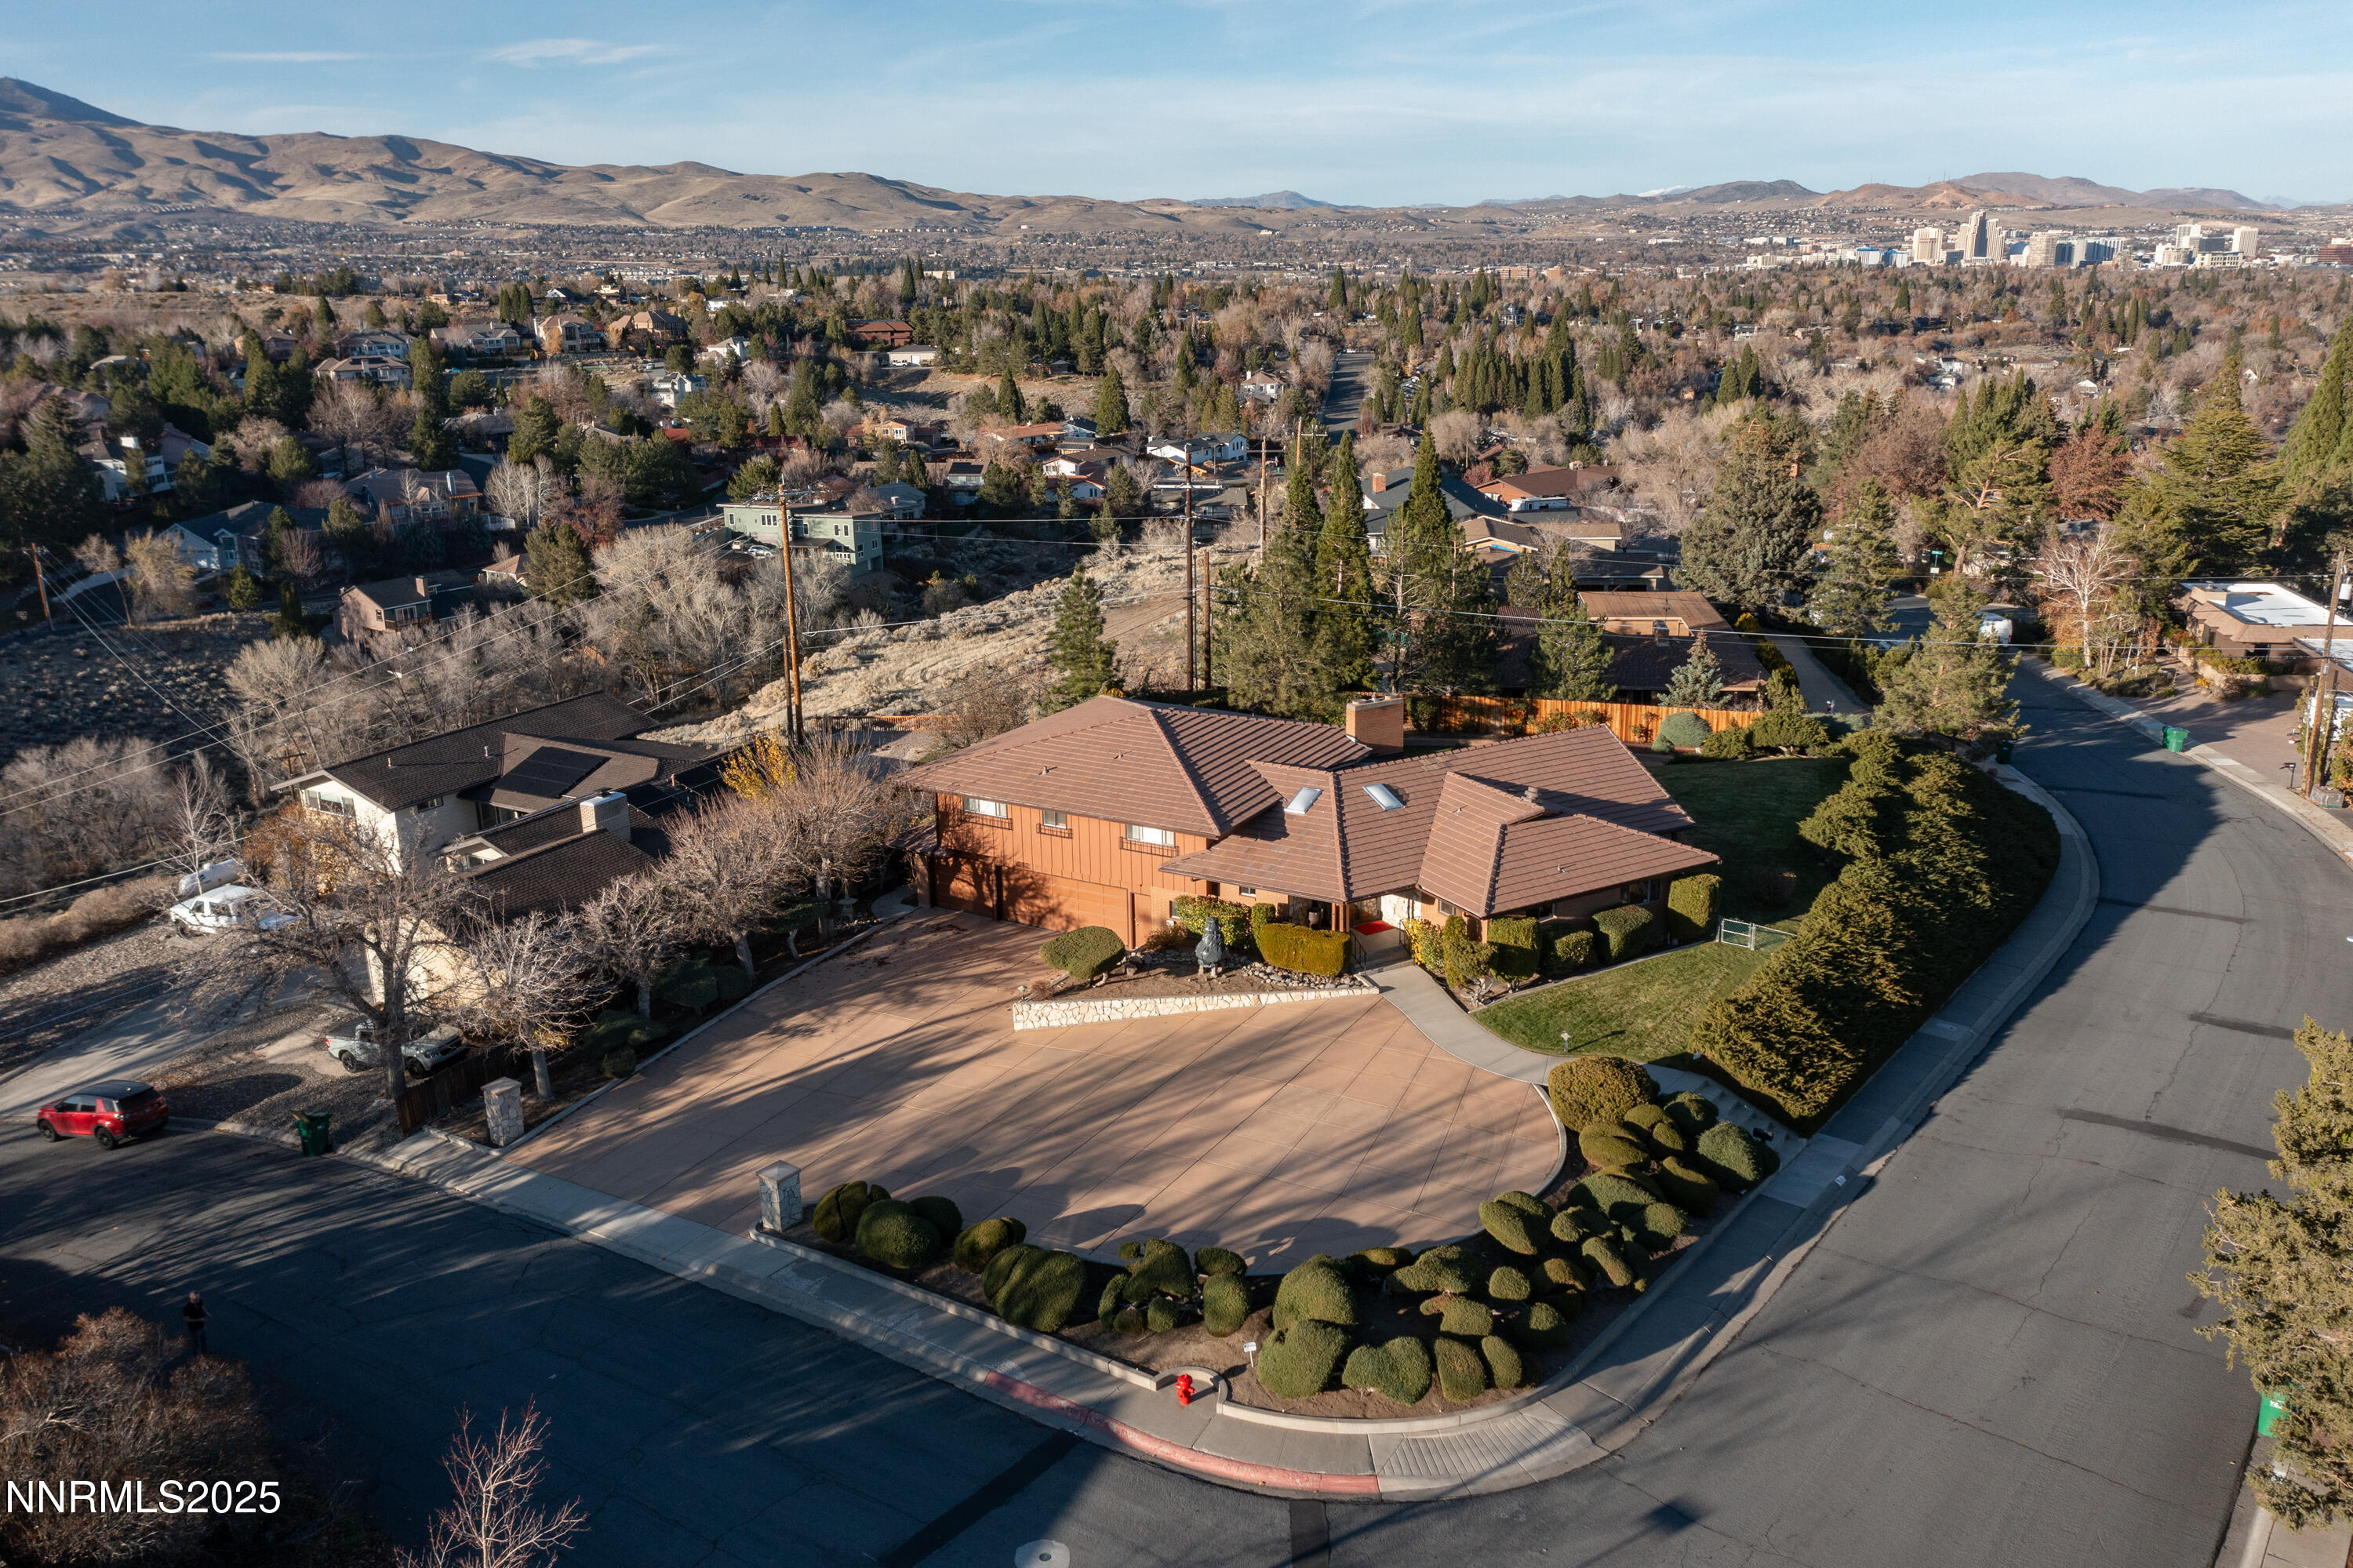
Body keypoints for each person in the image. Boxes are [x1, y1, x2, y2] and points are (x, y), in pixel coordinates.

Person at [182, 1290, 208, 1355]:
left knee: (204, 1341)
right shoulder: (187, 1307)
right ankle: (196, 1359)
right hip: (194, 1329)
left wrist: (207, 1313)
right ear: (191, 1298)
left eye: (199, 1297)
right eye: (196, 1298)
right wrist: (199, 1320)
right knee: (196, 1345)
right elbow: (186, 1320)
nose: (198, 1299)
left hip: (202, 1326)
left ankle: (205, 1355)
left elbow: (202, 1306)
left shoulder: (199, 1301)